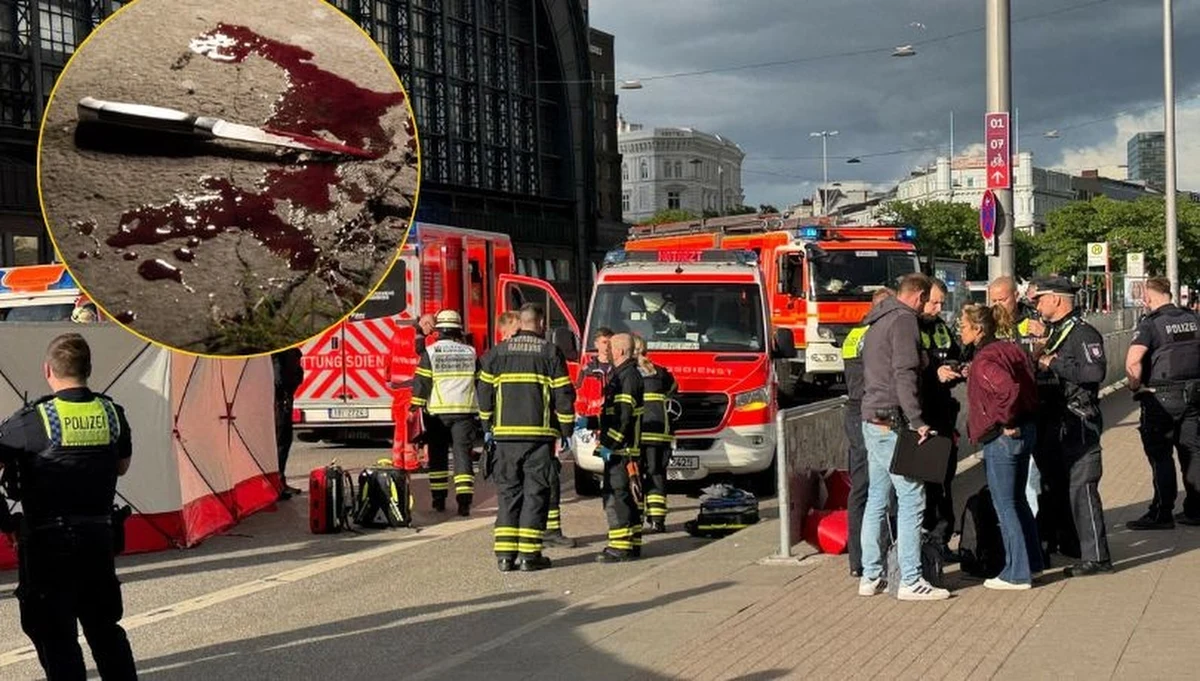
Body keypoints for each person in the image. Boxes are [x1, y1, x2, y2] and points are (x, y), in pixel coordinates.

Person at [0, 333, 138, 680]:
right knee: (105, 630)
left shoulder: (33, 420)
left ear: (48, 370)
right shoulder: (111, 413)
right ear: (88, 369)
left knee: (57, 637)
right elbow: (122, 465)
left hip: (48, 544)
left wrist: (7, 523)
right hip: (98, 537)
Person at [858, 273, 949, 601]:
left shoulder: (877, 319)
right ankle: (911, 579)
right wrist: (917, 420)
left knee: (877, 499)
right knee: (912, 497)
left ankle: (871, 575)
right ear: (919, 296)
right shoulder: (904, 321)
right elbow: (904, 373)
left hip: (872, 418)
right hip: (894, 422)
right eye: (930, 300)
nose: (931, 307)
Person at [477, 304, 575, 572]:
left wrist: (488, 426)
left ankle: (505, 556)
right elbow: (563, 396)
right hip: (538, 437)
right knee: (535, 493)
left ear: (519, 323)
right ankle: (529, 556)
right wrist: (566, 431)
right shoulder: (550, 352)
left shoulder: (495, 354)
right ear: (540, 323)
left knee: (508, 494)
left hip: (505, 438)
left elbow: (484, 395)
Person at [1032, 277, 1112, 577]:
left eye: (1040, 299)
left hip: (1080, 421)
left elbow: (1095, 372)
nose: (1037, 305)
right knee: (1056, 486)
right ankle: (1068, 543)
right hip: (1056, 421)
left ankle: (1097, 558)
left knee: (1082, 488)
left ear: (1056, 299)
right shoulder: (1057, 332)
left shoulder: (1082, 333)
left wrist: (1053, 363)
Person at [960, 304, 1043, 590]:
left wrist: (1006, 419)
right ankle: (1032, 563)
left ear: (978, 329)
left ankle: (1016, 573)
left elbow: (1008, 389)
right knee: (1018, 501)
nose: (960, 329)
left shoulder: (985, 360)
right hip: (1026, 430)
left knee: (1005, 504)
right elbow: (1028, 380)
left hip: (1003, 437)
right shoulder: (1011, 349)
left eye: (963, 325)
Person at [1125, 276, 1200, 529]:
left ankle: (1162, 513)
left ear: (1148, 297)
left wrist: (1135, 386)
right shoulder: (1193, 318)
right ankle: (1195, 510)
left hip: (1161, 397)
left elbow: (1134, 361)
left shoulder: (1151, 324)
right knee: (1192, 453)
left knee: (1161, 456)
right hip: (1194, 395)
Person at [840, 286, 894, 578]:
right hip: (873, 410)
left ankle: (858, 560)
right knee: (881, 488)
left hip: (855, 408)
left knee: (860, 487)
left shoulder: (854, 335)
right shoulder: (877, 335)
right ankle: (880, 555)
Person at [412, 310, 481, 516]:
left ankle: (439, 499)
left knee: (438, 457)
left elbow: (422, 383)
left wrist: (414, 406)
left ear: (438, 330)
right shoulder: (470, 352)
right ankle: (464, 502)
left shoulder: (430, 352)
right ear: (458, 330)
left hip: (437, 415)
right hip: (464, 412)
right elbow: (480, 381)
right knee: (463, 456)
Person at [917, 279, 962, 559]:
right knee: (925, 486)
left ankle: (942, 541)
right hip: (922, 417)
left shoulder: (941, 328)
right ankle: (926, 544)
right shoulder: (911, 327)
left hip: (945, 415)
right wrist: (935, 374)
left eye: (942, 303)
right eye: (934, 302)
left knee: (944, 483)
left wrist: (956, 368)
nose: (938, 308)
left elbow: (956, 354)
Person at [596, 333, 646, 563]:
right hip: (624, 447)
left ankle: (620, 546)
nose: (607, 351)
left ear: (622, 351)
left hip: (623, 449)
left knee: (617, 495)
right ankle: (632, 541)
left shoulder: (627, 377)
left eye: (611, 347)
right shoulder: (624, 374)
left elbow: (624, 417)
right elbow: (614, 413)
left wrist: (610, 444)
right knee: (625, 495)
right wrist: (591, 422)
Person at [632, 334, 677, 533]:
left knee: (636, 476)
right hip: (661, 433)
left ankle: (637, 518)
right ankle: (658, 520)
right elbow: (674, 389)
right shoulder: (661, 372)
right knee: (657, 474)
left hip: (638, 432)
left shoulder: (630, 374)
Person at [272, 346, 304, 500]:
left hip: (284, 398)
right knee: (281, 442)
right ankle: (278, 483)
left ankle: (280, 480)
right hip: (281, 400)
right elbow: (278, 378)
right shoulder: (279, 352)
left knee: (284, 441)